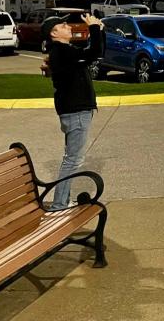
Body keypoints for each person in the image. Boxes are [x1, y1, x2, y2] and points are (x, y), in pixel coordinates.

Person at [41, 12, 105, 211]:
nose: (68, 27)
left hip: (76, 111)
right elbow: (92, 52)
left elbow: (94, 53)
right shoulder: (61, 51)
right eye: (63, 26)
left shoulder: (63, 51)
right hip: (75, 112)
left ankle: (62, 201)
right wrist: (93, 28)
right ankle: (59, 204)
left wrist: (100, 31)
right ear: (53, 33)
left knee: (70, 158)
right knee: (73, 160)